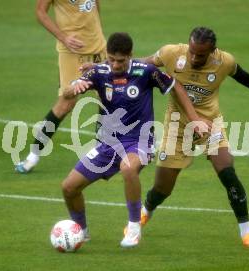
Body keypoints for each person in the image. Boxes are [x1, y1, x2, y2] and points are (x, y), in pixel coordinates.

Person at [60, 32, 209, 248]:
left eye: (120, 60)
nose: (115, 65)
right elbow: (66, 93)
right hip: (108, 143)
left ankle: (133, 227)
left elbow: (175, 86)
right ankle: (80, 232)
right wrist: (73, 89)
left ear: (130, 56)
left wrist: (194, 119)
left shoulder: (145, 72)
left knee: (128, 168)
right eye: (111, 59)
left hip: (139, 140)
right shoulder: (99, 72)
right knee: (69, 187)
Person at [140, 26, 249, 250]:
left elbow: (242, 75)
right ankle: (146, 211)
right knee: (162, 189)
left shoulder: (223, 62)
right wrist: (101, 69)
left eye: (201, 54)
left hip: (210, 125)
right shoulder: (171, 53)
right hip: (178, 127)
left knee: (228, 173)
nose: (195, 57)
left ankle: (247, 233)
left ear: (212, 51)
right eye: (192, 52)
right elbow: (140, 65)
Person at [15, 0, 107, 173]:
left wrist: (99, 32)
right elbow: (40, 12)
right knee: (66, 104)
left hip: (99, 49)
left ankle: (100, 152)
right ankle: (33, 155)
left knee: (107, 98)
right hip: (71, 53)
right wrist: (64, 37)